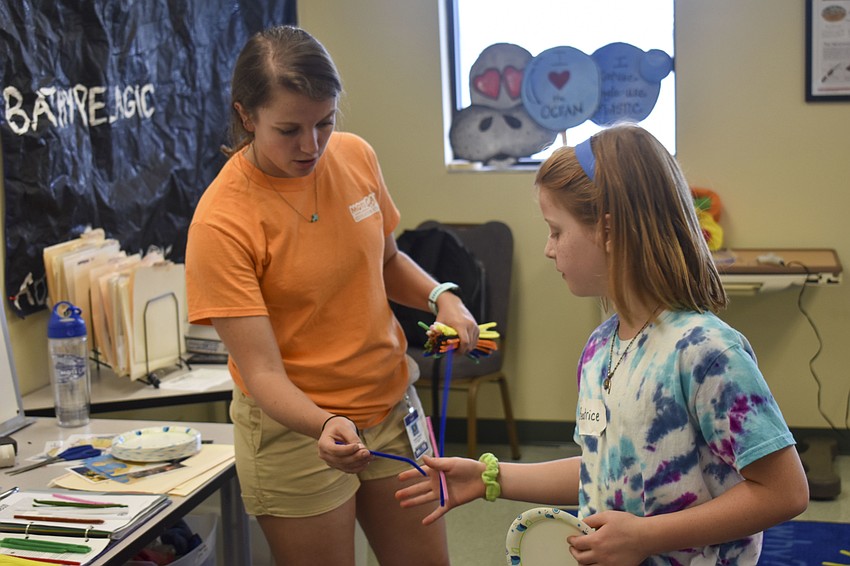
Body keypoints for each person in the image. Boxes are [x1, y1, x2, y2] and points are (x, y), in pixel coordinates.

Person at [396, 123, 809, 565]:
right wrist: (489, 478)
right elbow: (601, 467)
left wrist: (646, 537)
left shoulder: (707, 352)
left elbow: (784, 492)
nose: (548, 250)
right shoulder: (600, 347)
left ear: (609, 231)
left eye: (556, 231)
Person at [185, 25, 479, 566]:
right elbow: (263, 374)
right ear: (246, 116)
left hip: (389, 404)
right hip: (296, 428)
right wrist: (322, 423)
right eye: (289, 129)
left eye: (325, 122)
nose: (312, 145)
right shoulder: (222, 221)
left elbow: (387, 260)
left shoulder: (355, 157)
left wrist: (441, 295)